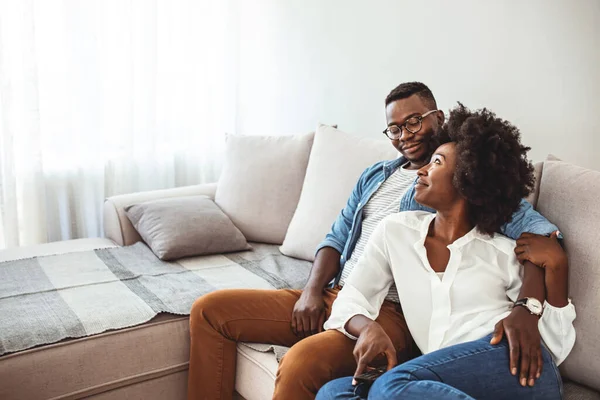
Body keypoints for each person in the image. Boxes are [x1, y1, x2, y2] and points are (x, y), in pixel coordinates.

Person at [187, 83, 562, 400]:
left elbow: (541, 241)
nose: (405, 135)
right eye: (395, 129)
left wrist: (525, 309)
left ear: (439, 118)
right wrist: (312, 291)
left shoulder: (463, 178)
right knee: (209, 310)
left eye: (413, 121)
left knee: (302, 363)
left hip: (391, 311)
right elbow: (335, 237)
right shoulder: (375, 175)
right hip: (340, 292)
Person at [316, 104, 575, 400]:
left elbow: (556, 344)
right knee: (333, 393)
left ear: (467, 180)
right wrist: (367, 328)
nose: (422, 169)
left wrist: (557, 267)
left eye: (436, 162)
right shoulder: (396, 231)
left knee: (390, 387)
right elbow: (351, 299)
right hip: (441, 377)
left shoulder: (502, 252)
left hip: (515, 367)